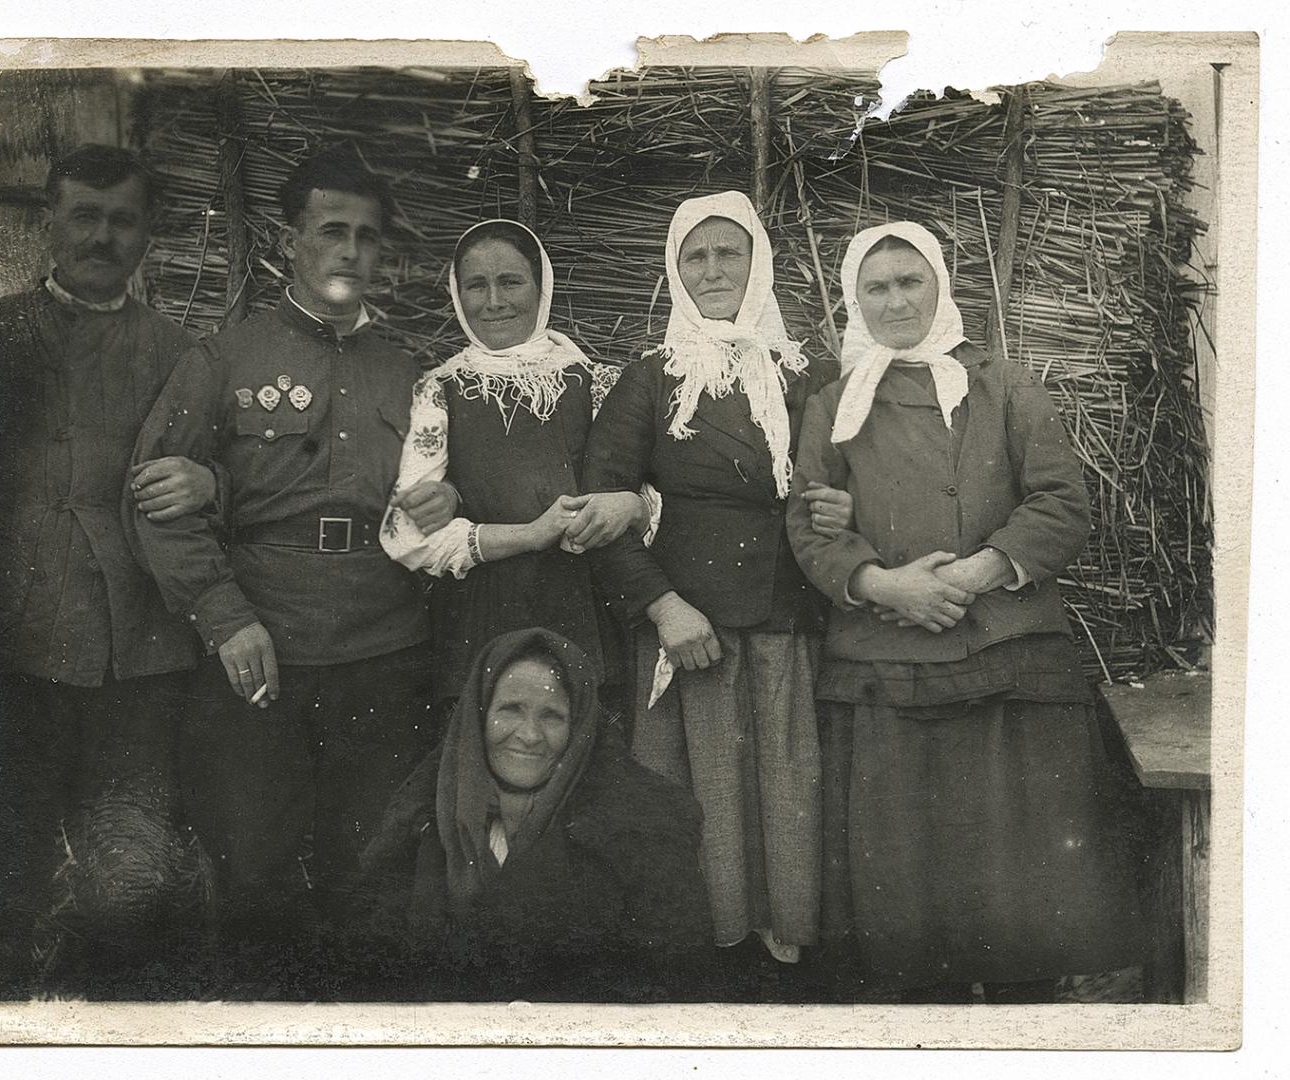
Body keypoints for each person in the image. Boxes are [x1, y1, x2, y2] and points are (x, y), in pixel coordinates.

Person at [786, 220, 1147, 1002]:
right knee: (909, 908)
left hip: (1005, 660)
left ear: (941, 287)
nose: (895, 300)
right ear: (855, 300)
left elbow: (1061, 503)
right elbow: (807, 525)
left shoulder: (1004, 385)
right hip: (887, 661)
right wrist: (887, 586)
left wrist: (976, 573)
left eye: (909, 281)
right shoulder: (833, 404)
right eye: (875, 287)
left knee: (1019, 896)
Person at [127, 149, 438, 985]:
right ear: (287, 240)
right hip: (258, 650)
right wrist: (222, 615)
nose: (350, 253)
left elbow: (439, 497)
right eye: (331, 231)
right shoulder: (223, 360)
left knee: (369, 870)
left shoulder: (411, 374)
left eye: (367, 239)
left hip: (383, 648)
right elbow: (155, 500)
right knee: (254, 870)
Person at [582, 191, 851, 970]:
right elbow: (603, 515)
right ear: (675, 271)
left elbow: (844, 483)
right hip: (692, 630)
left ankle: (786, 970)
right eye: (693, 257)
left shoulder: (809, 373)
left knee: (788, 795)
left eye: (728, 253)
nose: (712, 270)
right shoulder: (652, 376)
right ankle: (704, 968)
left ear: (759, 263)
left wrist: (841, 505)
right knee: (702, 812)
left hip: (787, 626)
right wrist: (664, 607)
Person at [0, 144, 216, 997]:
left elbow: (239, 489)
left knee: (128, 873)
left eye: (122, 220)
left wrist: (210, 479)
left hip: (135, 660)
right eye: (84, 214)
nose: (102, 236)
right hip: (11, 649)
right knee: (0, 863)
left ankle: (119, 1027)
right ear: (49, 221)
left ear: (149, 234)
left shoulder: (179, 353)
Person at [335, 627, 713, 1002]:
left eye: (552, 716)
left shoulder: (642, 829)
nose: (529, 735)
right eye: (511, 710)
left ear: (580, 726)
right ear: (478, 715)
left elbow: (672, 978)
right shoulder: (418, 816)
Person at [380, 218, 648, 703]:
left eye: (510, 282)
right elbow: (405, 534)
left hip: (591, 615)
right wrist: (530, 534)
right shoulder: (439, 390)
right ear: (457, 296)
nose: (494, 301)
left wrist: (632, 506)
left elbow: (652, 500)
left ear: (541, 286)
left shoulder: (600, 385)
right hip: (482, 622)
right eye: (476, 286)